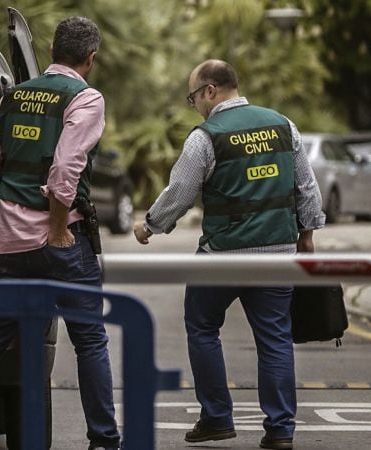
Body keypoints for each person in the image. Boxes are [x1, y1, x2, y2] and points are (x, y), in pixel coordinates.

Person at [0, 16, 121, 450]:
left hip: (8, 245)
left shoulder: (12, 98)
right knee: (89, 339)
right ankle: (104, 442)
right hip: (63, 243)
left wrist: (18, 202)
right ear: (90, 58)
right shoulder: (85, 99)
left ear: (53, 50)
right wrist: (55, 228)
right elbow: (64, 172)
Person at [133, 59, 325, 450]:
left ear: (210, 91)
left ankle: (217, 417)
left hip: (223, 254)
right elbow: (307, 188)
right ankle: (280, 431)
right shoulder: (282, 125)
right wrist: (307, 237)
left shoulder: (206, 136)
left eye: (193, 98)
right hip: (277, 253)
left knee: (202, 325)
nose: (195, 106)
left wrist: (150, 225)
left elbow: (181, 192)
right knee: (275, 339)